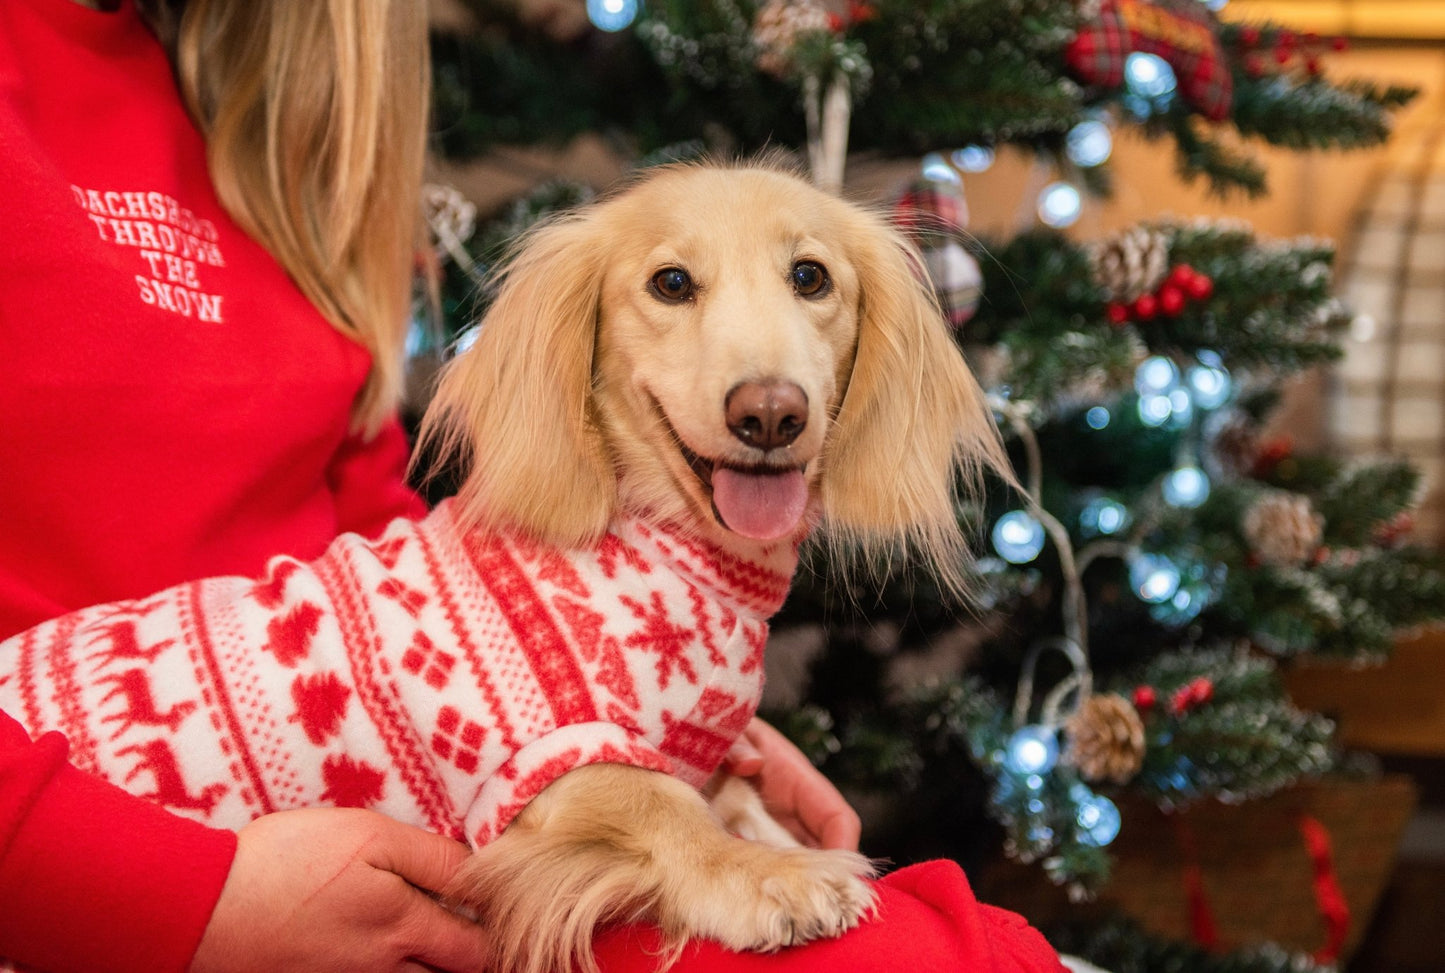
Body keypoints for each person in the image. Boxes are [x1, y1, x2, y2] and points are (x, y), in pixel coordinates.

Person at [0, 1, 1065, 971]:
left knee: (973, 949)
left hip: (394, 825)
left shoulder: (268, 102)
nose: (766, 396)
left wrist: (664, 721)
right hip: (104, 856)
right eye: (672, 287)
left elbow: (396, 557)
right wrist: (185, 899)